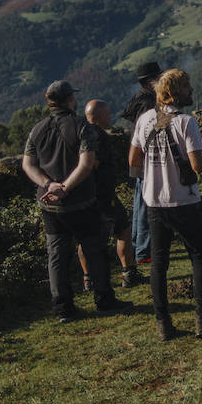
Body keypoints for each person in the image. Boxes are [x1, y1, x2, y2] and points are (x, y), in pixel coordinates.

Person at [22, 80, 127, 323]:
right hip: (80, 200)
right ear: (70, 99)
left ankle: (63, 308)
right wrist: (66, 188)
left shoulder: (37, 129)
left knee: (56, 254)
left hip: (48, 203)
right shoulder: (81, 126)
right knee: (94, 249)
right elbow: (87, 163)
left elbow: (28, 164)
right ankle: (104, 299)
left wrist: (48, 185)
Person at [128, 69, 202, 341]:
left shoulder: (145, 119)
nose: (191, 92)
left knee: (159, 263)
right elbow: (196, 166)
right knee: (198, 258)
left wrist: (154, 173)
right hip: (184, 200)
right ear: (175, 92)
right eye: (187, 88)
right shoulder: (186, 122)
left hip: (154, 201)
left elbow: (133, 159)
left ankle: (164, 324)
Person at [75, 99, 144, 290]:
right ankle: (128, 273)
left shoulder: (79, 133)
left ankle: (88, 279)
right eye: (107, 114)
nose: (110, 117)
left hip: (84, 196)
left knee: (85, 237)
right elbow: (93, 164)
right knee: (123, 230)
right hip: (104, 195)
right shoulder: (98, 136)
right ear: (99, 117)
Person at [121, 61, 162, 271]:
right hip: (147, 159)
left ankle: (138, 246)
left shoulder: (138, 100)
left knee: (139, 204)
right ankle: (143, 251)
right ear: (150, 81)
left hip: (138, 158)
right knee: (146, 205)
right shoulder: (148, 102)